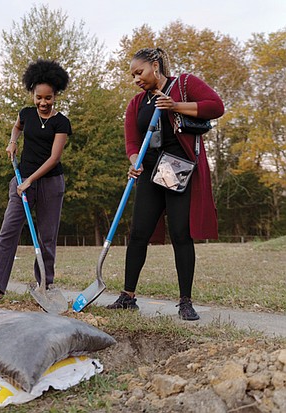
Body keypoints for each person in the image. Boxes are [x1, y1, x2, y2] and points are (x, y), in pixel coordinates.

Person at [105, 47, 224, 321]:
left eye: (139, 72)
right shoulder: (137, 103)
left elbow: (216, 106)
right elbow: (132, 141)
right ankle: (127, 297)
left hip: (176, 168)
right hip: (149, 172)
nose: (136, 79)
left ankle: (185, 301)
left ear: (155, 65)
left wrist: (175, 106)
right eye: (133, 75)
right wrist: (135, 160)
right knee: (138, 234)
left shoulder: (183, 84)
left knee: (181, 234)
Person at [0, 59, 72, 304]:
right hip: (21, 181)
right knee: (8, 233)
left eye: (48, 98)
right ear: (32, 94)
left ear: (55, 95)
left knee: (46, 237)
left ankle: (44, 286)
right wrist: (13, 141)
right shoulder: (26, 114)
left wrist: (31, 180)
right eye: (39, 97)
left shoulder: (61, 123)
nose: (43, 103)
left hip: (50, 183)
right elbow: (17, 128)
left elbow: (54, 157)